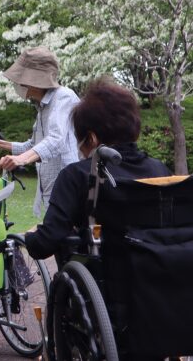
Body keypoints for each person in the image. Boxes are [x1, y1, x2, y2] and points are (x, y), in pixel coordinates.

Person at [24, 79, 170, 262]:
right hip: (162, 274)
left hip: (108, 279)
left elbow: (45, 244)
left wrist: (30, 238)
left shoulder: (76, 175)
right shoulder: (160, 170)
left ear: (91, 138)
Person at [0, 46, 79, 217]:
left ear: (34, 80)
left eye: (21, 79)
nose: (18, 84)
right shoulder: (42, 107)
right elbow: (32, 145)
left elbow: (56, 140)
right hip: (52, 190)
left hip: (68, 187)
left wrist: (20, 160)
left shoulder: (64, 97)